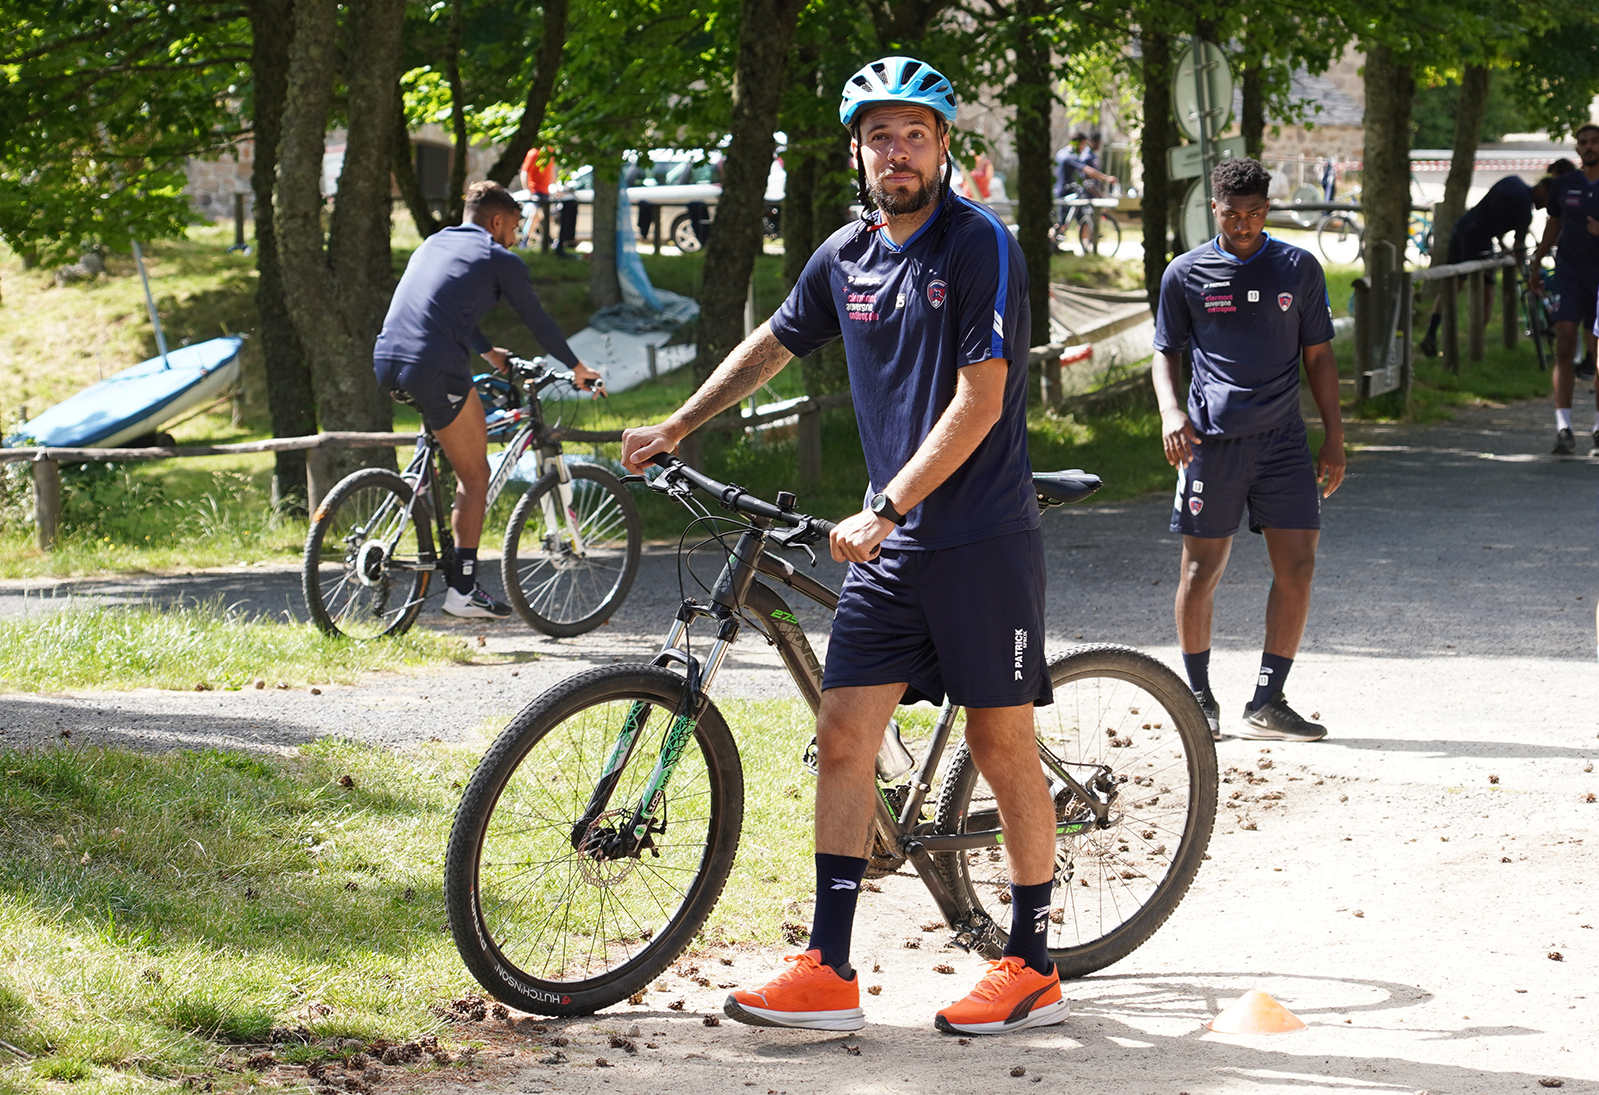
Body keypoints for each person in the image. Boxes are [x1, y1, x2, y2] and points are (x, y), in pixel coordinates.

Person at [621, 56, 1067, 1037]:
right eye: (879, 136)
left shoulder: (976, 246)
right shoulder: (847, 255)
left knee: (1001, 745)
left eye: (914, 134)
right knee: (841, 740)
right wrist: (680, 422)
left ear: (944, 145)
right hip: (893, 548)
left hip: (977, 539)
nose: (896, 152)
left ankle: (1031, 963)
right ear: (856, 151)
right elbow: (776, 342)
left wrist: (891, 506)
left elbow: (980, 398)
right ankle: (827, 967)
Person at [1152, 156, 1345, 743]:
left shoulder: (1299, 268)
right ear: (1214, 208)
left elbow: (1319, 356)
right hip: (1211, 445)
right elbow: (1165, 352)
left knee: (1300, 567)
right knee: (1201, 569)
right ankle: (1198, 697)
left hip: (1284, 443)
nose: (1243, 224)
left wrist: (1334, 437)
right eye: (1233, 214)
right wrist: (1170, 412)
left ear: (1268, 209)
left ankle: (1267, 699)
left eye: (1255, 214)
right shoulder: (1185, 273)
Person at [373, 180, 601, 618]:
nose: (515, 238)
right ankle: (463, 590)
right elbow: (536, 318)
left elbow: (442, 307)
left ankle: (413, 509)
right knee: (475, 476)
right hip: (437, 365)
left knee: (452, 442)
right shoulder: (499, 257)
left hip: (387, 360)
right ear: (497, 221)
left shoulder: (434, 245)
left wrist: (488, 351)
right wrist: (577, 366)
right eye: (515, 228)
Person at [1417, 174, 1549, 359]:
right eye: (1548, 199)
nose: (1547, 205)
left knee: (1454, 283)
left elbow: (1493, 212)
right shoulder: (1525, 210)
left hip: (1462, 228)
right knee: (1488, 292)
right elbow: (1518, 246)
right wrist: (1528, 276)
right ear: (1542, 190)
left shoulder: (1513, 181)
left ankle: (1431, 332)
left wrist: (1502, 244)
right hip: (1478, 240)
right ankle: (1475, 344)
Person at [1529, 124, 1599, 455]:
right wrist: (1536, 262)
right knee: (1565, 343)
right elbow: (1553, 226)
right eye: (1583, 143)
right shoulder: (1563, 185)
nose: (1589, 147)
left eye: (1595, 142)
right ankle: (1564, 426)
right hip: (1569, 273)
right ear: (1577, 149)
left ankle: (1598, 426)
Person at [517, 147, 557, 248]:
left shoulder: (550, 152)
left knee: (544, 217)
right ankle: (525, 240)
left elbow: (551, 171)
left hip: (546, 191)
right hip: (536, 191)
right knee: (534, 216)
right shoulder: (534, 153)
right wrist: (527, 191)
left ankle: (549, 240)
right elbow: (524, 173)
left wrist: (554, 187)